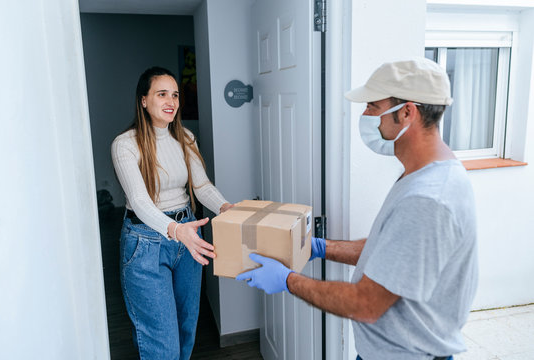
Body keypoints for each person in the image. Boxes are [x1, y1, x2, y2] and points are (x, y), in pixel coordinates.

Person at [236, 58, 478, 360]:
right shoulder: (429, 173)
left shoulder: (427, 199)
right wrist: (321, 247)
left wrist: (287, 280)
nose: (365, 115)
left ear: (406, 112)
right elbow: (393, 254)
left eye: (372, 106)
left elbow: (366, 304)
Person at [111, 66, 233, 360]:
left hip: (188, 233)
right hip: (145, 242)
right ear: (144, 100)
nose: (171, 101)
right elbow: (139, 200)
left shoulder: (185, 137)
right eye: (161, 94)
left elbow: (201, 185)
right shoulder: (125, 144)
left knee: (186, 328)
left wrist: (227, 208)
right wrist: (176, 231)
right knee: (162, 343)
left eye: (175, 95)